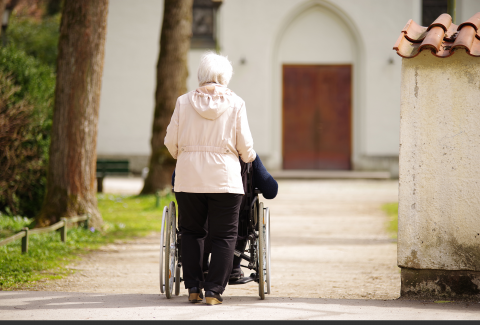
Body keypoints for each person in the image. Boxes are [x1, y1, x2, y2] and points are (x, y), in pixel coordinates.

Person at [164, 52, 256, 305]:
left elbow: (170, 141)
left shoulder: (183, 102)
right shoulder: (236, 103)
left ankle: (193, 287)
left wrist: (182, 155)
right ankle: (214, 291)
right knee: (225, 235)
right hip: (225, 179)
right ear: (225, 77)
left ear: (201, 75)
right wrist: (245, 158)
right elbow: (246, 148)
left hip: (189, 177)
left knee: (191, 231)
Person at [171, 153, 278, 282]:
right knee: (237, 218)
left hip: (196, 220)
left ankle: (202, 265)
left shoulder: (191, 152)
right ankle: (233, 266)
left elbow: (175, 182)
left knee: (197, 218)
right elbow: (271, 191)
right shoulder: (248, 157)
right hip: (237, 223)